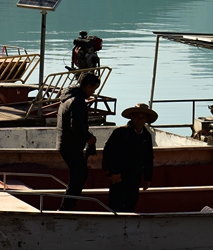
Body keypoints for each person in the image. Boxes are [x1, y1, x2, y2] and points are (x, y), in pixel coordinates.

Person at [56, 72, 101, 211]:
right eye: (94, 89)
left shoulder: (68, 97)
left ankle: (68, 206)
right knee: (79, 175)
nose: (93, 92)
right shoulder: (78, 101)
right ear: (88, 87)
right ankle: (66, 207)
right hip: (71, 146)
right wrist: (89, 138)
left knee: (78, 174)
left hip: (66, 144)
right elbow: (76, 126)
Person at [103, 102, 157, 212]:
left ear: (146, 119)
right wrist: (115, 172)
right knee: (115, 204)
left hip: (135, 176)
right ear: (132, 117)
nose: (140, 120)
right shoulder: (121, 132)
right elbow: (109, 152)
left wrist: (148, 177)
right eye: (137, 116)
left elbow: (148, 157)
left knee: (131, 203)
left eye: (143, 117)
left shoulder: (146, 136)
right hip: (119, 176)